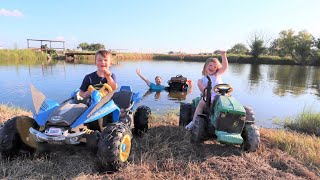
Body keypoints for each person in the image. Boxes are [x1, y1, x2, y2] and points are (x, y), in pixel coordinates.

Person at [185, 50, 228, 130]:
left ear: (217, 69)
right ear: (205, 66)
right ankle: (194, 122)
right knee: (201, 103)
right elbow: (204, 92)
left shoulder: (217, 74)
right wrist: (200, 85)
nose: (212, 68)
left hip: (222, 95)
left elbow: (224, 67)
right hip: (210, 96)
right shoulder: (203, 79)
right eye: (210, 65)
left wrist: (223, 55)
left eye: (215, 67)